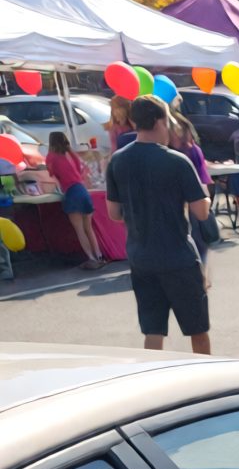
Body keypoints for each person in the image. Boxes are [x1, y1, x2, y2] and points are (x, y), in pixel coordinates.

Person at [104, 95, 211, 354]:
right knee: (197, 329)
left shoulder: (117, 160)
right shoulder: (177, 161)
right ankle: (206, 373)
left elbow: (114, 213)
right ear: (159, 121)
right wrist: (205, 194)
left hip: (141, 257)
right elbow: (201, 212)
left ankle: (153, 373)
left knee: (153, 330)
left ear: (134, 122)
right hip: (178, 257)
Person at [45, 132, 103, 268]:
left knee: (80, 230)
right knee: (89, 228)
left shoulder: (51, 156)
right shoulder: (72, 154)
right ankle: (99, 255)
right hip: (83, 191)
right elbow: (80, 171)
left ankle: (91, 258)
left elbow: (51, 175)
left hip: (71, 192)